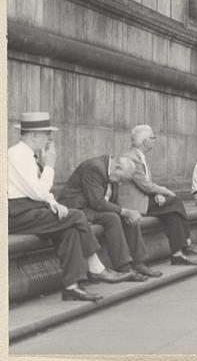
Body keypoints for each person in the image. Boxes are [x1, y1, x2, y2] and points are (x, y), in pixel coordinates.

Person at [8, 112, 129, 302]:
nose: (50, 138)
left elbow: (42, 194)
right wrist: (50, 165)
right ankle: (97, 268)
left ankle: (71, 287)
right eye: (47, 134)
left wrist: (55, 204)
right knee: (77, 217)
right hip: (17, 213)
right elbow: (37, 193)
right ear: (34, 135)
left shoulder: (28, 155)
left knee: (70, 230)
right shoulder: (17, 155)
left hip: (31, 209)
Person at [59, 154, 161, 280]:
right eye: (121, 179)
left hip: (91, 207)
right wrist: (124, 211)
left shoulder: (112, 171)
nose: (120, 183)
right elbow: (96, 201)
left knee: (128, 216)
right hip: (76, 208)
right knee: (113, 218)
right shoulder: (94, 167)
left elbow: (114, 202)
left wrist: (127, 213)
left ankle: (138, 262)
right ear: (118, 168)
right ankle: (123, 267)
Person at [117, 125, 197, 265]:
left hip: (145, 198)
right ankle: (187, 242)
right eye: (153, 137)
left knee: (172, 213)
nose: (155, 140)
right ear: (145, 141)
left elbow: (145, 183)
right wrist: (164, 191)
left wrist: (156, 195)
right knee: (175, 201)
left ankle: (177, 255)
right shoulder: (131, 158)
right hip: (135, 204)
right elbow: (145, 185)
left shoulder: (139, 156)